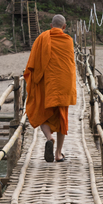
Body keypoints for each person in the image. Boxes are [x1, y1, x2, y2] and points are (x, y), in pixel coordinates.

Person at [23, 14, 77, 162]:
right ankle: (58, 154)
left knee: (41, 112)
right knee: (62, 119)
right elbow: (70, 65)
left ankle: (49, 137)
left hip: (47, 85)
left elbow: (33, 63)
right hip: (63, 85)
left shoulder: (42, 38)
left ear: (51, 25)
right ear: (64, 27)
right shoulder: (68, 41)